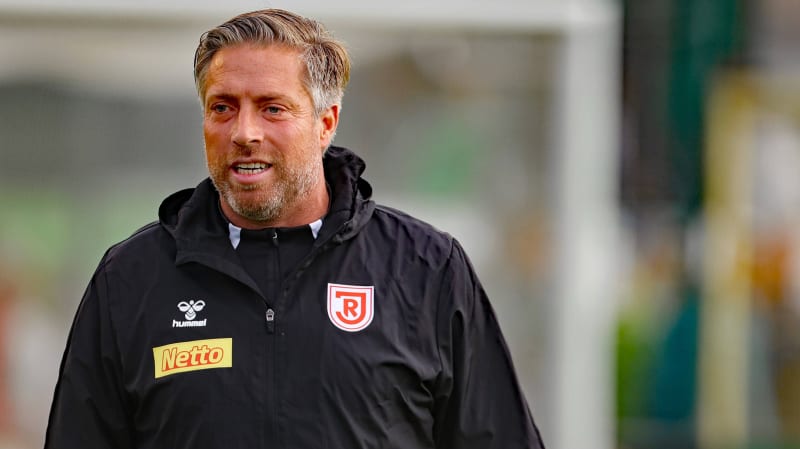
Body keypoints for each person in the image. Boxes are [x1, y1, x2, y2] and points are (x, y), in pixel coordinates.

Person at [44, 8, 545, 449]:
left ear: (326, 123)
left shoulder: (427, 269)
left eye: (272, 108)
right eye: (223, 107)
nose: (244, 133)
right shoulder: (131, 278)